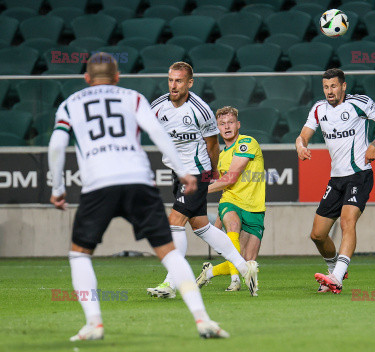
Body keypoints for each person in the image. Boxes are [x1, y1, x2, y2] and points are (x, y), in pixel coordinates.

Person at [48, 52, 229, 340]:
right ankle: (202, 319)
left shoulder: (70, 104)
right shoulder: (131, 97)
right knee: (169, 252)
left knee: (79, 254)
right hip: (137, 181)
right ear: (117, 77)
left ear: (86, 78)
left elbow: (58, 145)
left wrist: (57, 188)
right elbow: (158, 134)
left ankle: (94, 323)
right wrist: (183, 171)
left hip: (98, 183)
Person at [147, 62, 258, 298]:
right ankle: (244, 268)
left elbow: (212, 146)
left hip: (196, 174)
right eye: (170, 80)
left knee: (174, 223)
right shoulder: (157, 107)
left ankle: (171, 284)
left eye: (179, 81)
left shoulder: (201, 110)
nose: (173, 85)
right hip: (178, 173)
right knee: (202, 227)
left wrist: (210, 175)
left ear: (190, 83)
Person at [295, 68, 375, 294]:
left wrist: (374, 144)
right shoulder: (318, 109)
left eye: (333, 86)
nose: (329, 91)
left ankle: (337, 278)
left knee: (347, 222)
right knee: (317, 235)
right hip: (336, 178)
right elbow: (302, 136)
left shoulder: (359, 103)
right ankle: (333, 271)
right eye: (325, 87)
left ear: (343, 86)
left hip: (360, 174)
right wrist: (301, 146)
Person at [196, 107, 266, 293]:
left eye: (230, 122)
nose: (226, 127)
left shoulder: (247, 143)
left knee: (247, 261)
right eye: (222, 124)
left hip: (254, 207)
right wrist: (216, 228)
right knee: (233, 225)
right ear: (217, 128)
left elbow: (230, 178)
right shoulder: (220, 156)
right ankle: (235, 281)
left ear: (238, 125)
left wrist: (200, 190)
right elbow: (225, 189)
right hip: (231, 202)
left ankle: (209, 272)